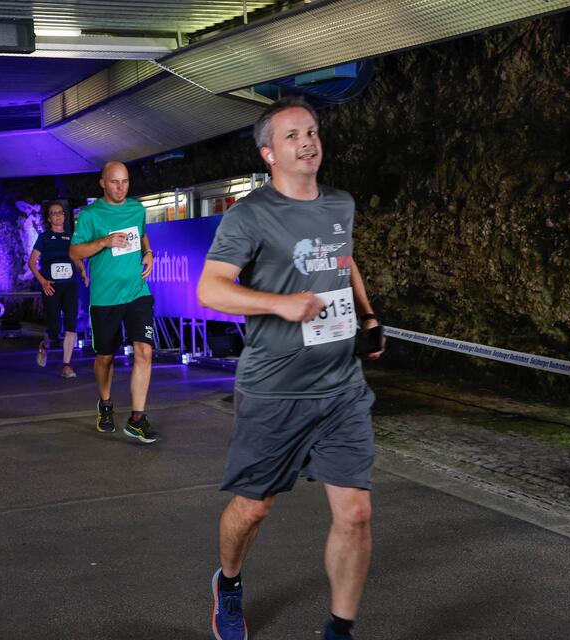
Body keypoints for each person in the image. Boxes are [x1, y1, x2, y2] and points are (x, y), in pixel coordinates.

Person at [197, 97, 386, 640]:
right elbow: (210, 289)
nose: (308, 141)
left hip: (341, 387)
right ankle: (228, 583)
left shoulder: (339, 204)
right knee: (254, 508)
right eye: (292, 136)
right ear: (268, 153)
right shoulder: (250, 215)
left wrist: (368, 316)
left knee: (355, 512)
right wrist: (278, 303)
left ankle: (340, 630)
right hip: (275, 388)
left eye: (312, 131)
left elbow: (345, 261)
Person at [69, 162, 159, 444]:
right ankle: (105, 404)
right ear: (103, 183)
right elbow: (74, 250)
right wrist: (104, 242)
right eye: (115, 182)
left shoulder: (137, 209)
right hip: (105, 298)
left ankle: (137, 419)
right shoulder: (90, 215)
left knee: (144, 350)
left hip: (136, 292)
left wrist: (148, 252)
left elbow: (142, 233)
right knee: (105, 357)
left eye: (125, 182)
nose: (121, 188)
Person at [28, 202, 88, 378]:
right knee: (54, 329)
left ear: (64, 216)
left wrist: (83, 272)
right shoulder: (44, 237)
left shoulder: (71, 237)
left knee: (71, 325)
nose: (57, 216)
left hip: (70, 285)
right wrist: (43, 282)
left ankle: (67, 365)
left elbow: (76, 258)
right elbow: (32, 263)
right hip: (51, 287)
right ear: (49, 218)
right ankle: (44, 346)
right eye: (53, 213)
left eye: (60, 213)